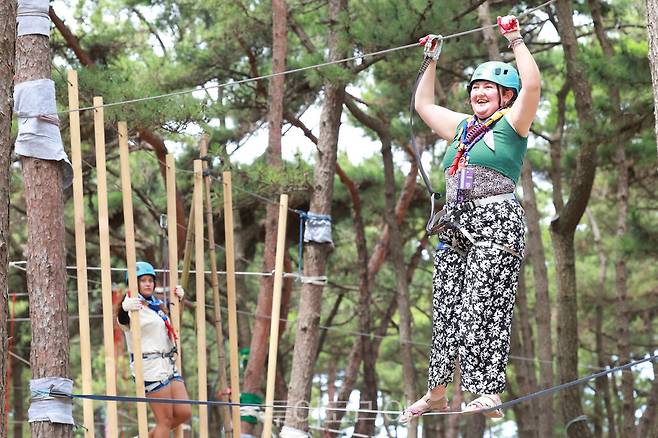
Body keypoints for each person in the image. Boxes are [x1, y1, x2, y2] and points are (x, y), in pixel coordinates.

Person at [400, 14, 540, 422]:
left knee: (483, 305)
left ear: (506, 97)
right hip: (457, 223)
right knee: (446, 306)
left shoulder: (513, 124)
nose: (479, 93)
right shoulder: (462, 129)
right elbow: (423, 104)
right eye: (475, 87)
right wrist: (431, 59)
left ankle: (489, 391)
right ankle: (438, 391)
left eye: (489, 88)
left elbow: (532, 84)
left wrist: (514, 38)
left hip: (496, 220)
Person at [118, 261, 192, 437]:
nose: (148, 284)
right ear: (134, 283)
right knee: (164, 421)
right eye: (142, 280)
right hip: (150, 366)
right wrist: (123, 308)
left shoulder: (156, 305)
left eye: (150, 280)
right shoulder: (130, 305)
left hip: (167, 363)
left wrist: (178, 300)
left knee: (184, 412)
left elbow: (168, 323)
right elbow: (122, 319)